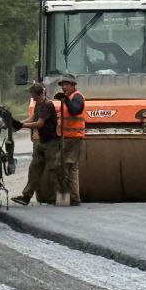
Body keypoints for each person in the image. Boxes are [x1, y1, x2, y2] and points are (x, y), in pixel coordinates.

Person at [11, 83, 59, 206]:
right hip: (42, 141)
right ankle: (26, 196)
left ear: (40, 94)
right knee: (34, 169)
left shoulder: (47, 105)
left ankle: (58, 197)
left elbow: (39, 123)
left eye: (33, 95)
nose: (32, 98)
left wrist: (22, 125)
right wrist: (18, 123)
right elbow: (33, 118)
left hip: (51, 142)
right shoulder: (38, 103)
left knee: (53, 170)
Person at [56, 72, 86, 206]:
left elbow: (75, 110)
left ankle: (66, 198)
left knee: (62, 165)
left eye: (66, 85)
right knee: (71, 167)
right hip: (68, 137)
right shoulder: (68, 97)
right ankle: (74, 198)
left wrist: (66, 100)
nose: (64, 87)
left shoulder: (77, 97)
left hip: (74, 138)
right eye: (62, 85)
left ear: (73, 85)